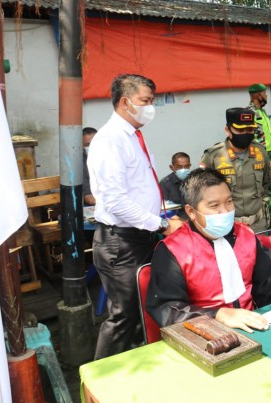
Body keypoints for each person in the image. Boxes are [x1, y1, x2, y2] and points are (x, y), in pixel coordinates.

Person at [147, 168, 271, 332]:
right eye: (214, 206)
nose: (225, 211)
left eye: (228, 202)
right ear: (191, 211)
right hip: (206, 334)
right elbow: (166, 308)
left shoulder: (245, 235)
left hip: (252, 324)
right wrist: (217, 315)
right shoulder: (173, 250)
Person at [87, 73, 183, 359]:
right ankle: (98, 382)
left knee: (145, 307)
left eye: (152, 101)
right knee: (124, 315)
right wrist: (163, 224)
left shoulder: (133, 136)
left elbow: (141, 187)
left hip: (141, 237)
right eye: (145, 101)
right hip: (121, 243)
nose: (150, 107)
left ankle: (138, 366)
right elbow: (115, 200)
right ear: (125, 102)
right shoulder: (110, 140)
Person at [200, 107, 271, 233]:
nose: (245, 133)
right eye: (240, 130)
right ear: (228, 130)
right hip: (229, 226)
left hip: (258, 224)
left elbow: (267, 183)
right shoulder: (213, 156)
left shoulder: (261, 152)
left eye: (250, 130)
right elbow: (203, 191)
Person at [247, 83, 271, 223]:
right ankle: (265, 221)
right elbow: (249, 136)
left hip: (270, 154)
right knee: (263, 187)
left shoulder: (263, 112)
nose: (266, 96)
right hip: (260, 156)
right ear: (257, 95)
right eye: (264, 93)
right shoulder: (249, 112)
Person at [82, 127, 97, 206]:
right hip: (92, 202)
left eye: (94, 143)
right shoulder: (80, 161)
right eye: (88, 144)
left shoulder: (107, 156)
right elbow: (89, 198)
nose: (91, 146)